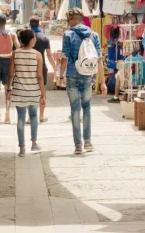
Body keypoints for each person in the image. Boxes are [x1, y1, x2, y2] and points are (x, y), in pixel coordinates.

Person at [59, 8, 100, 155]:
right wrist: (101, 81)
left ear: (74, 20)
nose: (68, 24)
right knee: (87, 107)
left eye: (68, 21)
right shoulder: (94, 35)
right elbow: (98, 59)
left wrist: (60, 75)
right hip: (87, 75)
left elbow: (65, 57)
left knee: (75, 109)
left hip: (72, 75)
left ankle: (78, 145)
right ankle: (88, 142)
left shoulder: (68, 34)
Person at [9, 29, 45, 157]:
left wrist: (8, 89)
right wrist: (43, 94)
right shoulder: (37, 54)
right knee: (34, 115)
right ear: (30, 40)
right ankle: (34, 143)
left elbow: (10, 74)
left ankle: (22, 148)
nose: (35, 40)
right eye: (34, 38)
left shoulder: (15, 53)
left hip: (19, 91)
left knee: (20, 118)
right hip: (33, 90)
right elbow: (40, 76)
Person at [0, 14, 18, 123]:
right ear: (6, 22)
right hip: (8, 61)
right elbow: (18, 48)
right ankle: (8, 114)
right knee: (8, 88)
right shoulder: (12, 34)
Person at [28, 18, 54, 123]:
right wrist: (55, 68)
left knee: (30, 91)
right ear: (39, 24)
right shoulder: (44, 38)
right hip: (42, 67)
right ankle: (41, 115)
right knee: (42, 91)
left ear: (30, 25)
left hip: (29, 67)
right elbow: (49, 54)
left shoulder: (27, 37)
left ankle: (30, 117)